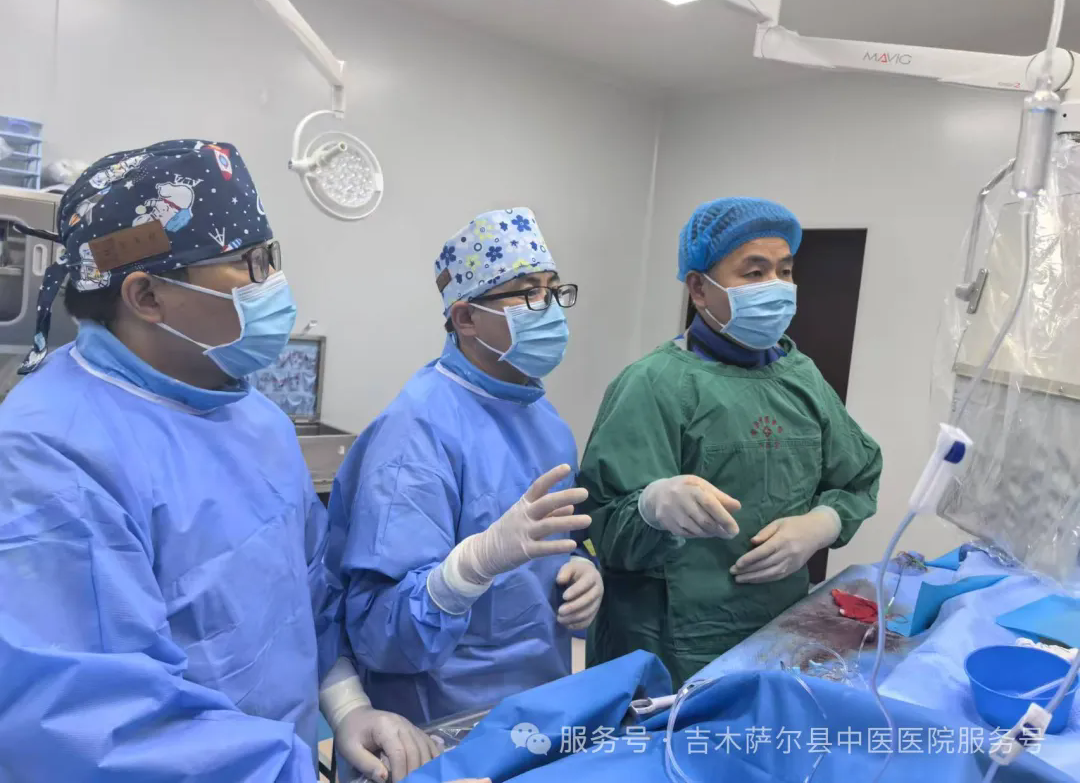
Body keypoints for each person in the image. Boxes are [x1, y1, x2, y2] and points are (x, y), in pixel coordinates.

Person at [0, 140, 441, 783]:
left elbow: (304, 598)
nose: (273, 284)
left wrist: (347, 706)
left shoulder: (254, 417)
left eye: (271, 256)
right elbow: (93, 726)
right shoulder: (50, 455)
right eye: (246, 264)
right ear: (147, 295)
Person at [578, 197, 882, 687]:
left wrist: (823, 523)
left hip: (778, 631)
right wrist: (650, 508)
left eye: (785, 271)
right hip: (669, 649)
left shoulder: (800, 376)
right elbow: (600, 527)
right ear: (699, 288)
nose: (776, 286)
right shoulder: (653, 384)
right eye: (754, 272)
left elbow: (858, 475)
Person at [328, 208, 603, 725]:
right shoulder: (416, 432)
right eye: (527, 293)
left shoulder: (543, 418)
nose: (548, 308)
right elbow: (382, 636)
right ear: (465, 318)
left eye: (553, 289)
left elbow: (557, 543)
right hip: (439, 719)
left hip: (537, 703)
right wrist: (470, 567)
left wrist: (584, 570)